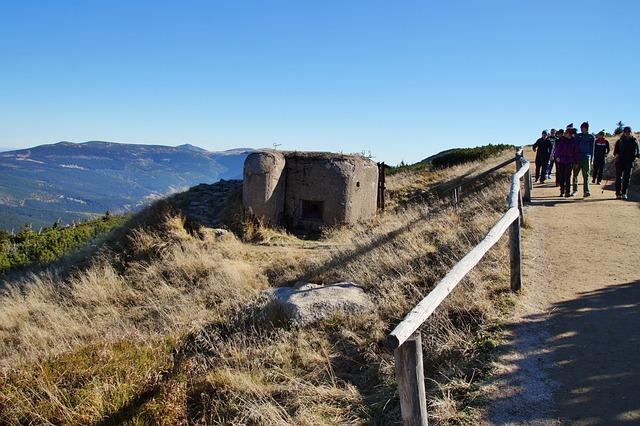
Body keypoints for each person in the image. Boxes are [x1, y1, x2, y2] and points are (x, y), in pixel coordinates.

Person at [613, 126, 639, 200]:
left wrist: (636, 156)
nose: (627, 133)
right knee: (618, 178)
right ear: (623, 132)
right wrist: (616, 155)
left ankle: (624, 193)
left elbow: (637, 152)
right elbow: (615, 152)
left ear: (631, 132)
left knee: (627, 178)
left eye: (628, 132)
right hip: (620, 161)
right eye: (626, 132)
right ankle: (618, 193)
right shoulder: (619, 141)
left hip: (629, 162)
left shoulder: (634, 141)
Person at [572, 121, 595, 197]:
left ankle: (586, 191)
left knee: (586, 175)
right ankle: (575, 190)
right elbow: (574, 147)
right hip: (578, 158)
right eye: (581, 128)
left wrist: (592, 159)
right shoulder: (577, 136)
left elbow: (592, 149)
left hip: (586, 158)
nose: (582, 129)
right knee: (575, 174)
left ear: (587, 128)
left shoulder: (591, 137)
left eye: (584, 128)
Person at [554, 126, 578, 197]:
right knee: (562, 177)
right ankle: (562, 191)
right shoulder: (562, 141)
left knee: (568, 177)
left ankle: (567, 191)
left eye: (566, 133)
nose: (565, 134)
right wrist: (557, 157)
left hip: (570, 161)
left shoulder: (573, 142)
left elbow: (575, 152)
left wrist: (576, 161)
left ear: (570, 134)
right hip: (561, 161)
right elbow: (557, 150)